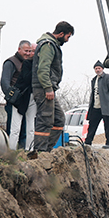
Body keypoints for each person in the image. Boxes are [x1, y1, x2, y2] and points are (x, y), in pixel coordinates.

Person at [30, 21, 74, 152]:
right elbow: (43, 69)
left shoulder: (51, 45)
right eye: (67, 37)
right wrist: (48, 88)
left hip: (49, 88)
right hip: (44, 89)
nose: (67, 40)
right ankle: (40, 152)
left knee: (59, 119)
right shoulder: (48, 45)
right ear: (61, 34)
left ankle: (46, 150)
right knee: (45, 120)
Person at [1, 40, 35, 150]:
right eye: (26, 51)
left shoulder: (30, 63)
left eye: (30, 51)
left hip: (27, 99)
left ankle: (24, 150)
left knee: (26, 129)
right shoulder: (11, 62)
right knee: (14, 128)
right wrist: (11, 97)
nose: (28, 53)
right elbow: (5, 82)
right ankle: (11, 151)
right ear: (19, 49)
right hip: (15, 100)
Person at [84, 62, 109, 148]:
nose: (97, 70)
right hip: (95, 107)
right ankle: (88, 142)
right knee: (92, 125)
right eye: (96, 68)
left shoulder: (108, 78)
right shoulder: (94, 79)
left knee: (107, 125)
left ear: (102, 69)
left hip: (105, 106)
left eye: (99, 68)